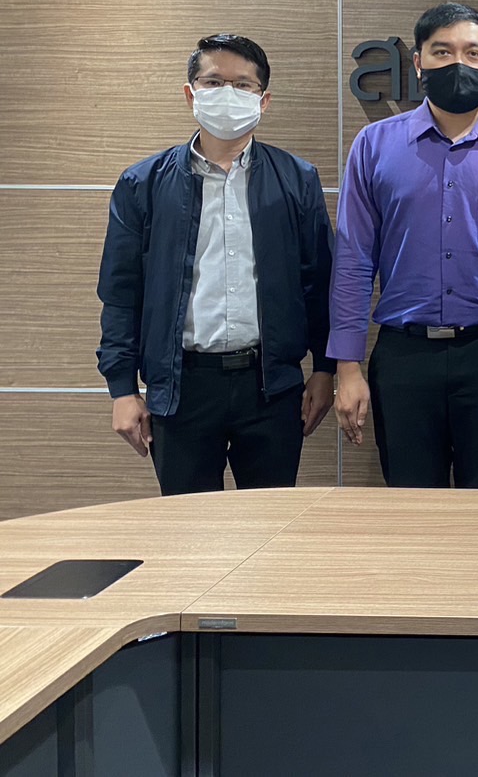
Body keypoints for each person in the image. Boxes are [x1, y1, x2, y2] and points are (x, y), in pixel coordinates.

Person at [331, 2, 478, 488]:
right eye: (442, 51)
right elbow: (352, 262)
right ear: (418, 62)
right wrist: (346, 368)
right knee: (413, 514)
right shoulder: (374, 145)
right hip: (403, 358)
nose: (459, 63)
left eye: (473, 52)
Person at [97, 34, 334, 495]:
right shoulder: (142, 184)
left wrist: (324, 369)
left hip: (270, 387)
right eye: (213, 82)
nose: (228, 94)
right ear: (191, 94)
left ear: (263, 101)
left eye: (243, 85)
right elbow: (121, 293)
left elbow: (318, 282)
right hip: (181, 388)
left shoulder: (297, 179)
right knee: (188, 526)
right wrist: (122, 390)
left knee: (269, 523)